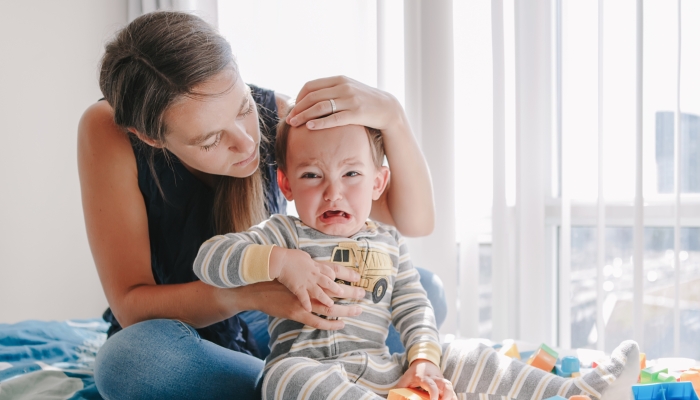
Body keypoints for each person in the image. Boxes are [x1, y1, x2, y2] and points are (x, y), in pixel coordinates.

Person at [78, 11, 440, 400]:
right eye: (210, 140)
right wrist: (247, 293)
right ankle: (298, 384)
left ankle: (306, 384)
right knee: (129, 361)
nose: (248, 142)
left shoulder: (283, 116)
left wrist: (393, 117)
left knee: (426, 291)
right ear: (150, 138)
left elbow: (414, 221)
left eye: (243, 107)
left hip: (273, 325)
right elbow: (131, 305)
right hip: (186, 332)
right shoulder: (108, 129)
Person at [193, 119, 641, 400]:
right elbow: (209, 260)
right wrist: (278, 262)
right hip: (311, 370)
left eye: (351, 174)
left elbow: (413, 306)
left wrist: (423, 360)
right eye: (312, 176)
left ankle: (575, 392)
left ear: (378, 181)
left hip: (381, 367)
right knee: (281, 379)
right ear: (286, 185)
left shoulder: (388, 241)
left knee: (462, 351)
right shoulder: (283, 231)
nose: (333, 191)